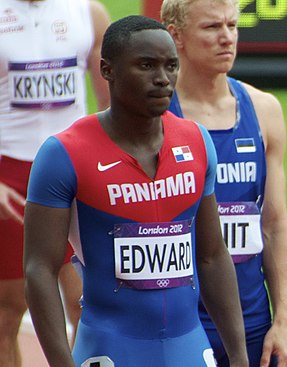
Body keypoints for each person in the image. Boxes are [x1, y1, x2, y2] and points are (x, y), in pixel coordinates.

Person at [24, 15, 249, 367]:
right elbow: (39, 268)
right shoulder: (63, 154)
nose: (162, 78)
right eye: (146, 65)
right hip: (110, 348)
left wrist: (238, 355)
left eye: (170, 65)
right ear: (107, 69)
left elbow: (212, 255)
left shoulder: (197, 142)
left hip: (189, 346)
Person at [161, 0, 287, 366]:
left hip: (251, 319)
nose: (227, 38)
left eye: (232, 26)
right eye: (211, 28)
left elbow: (275, 224)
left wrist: (282, 321)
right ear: (176, 36)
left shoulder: (264, 109)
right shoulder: (154, 116)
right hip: (177, 322)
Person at [0, 0, 110, 365]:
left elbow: (113, 99)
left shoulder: (87, 12)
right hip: (12, 174)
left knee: (88, 308)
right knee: (7, 314)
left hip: (73, 170)